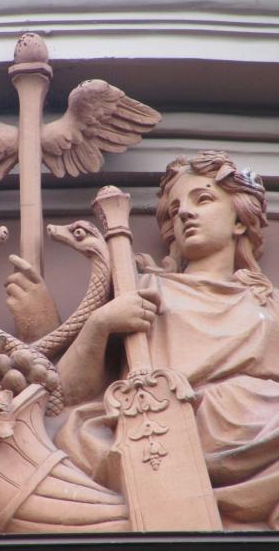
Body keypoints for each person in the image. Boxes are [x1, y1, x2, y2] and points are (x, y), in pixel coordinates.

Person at [52, 150, 279, 530]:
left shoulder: (267, 303)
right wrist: (100, 325)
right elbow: (67, 395)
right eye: (175, 210)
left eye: (202, 199)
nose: (185, 213)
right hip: (167, 430)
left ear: (240, 220)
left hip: (261, 427)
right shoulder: (144, 290)